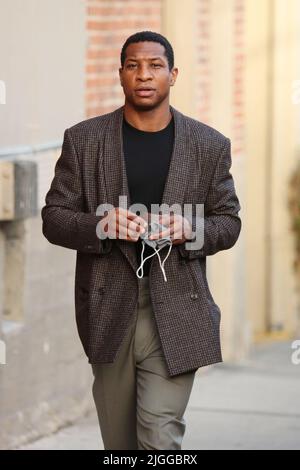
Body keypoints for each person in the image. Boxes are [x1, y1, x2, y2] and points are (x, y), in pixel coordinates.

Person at [41, 30, 242, 450]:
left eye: (154, 66)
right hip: (108, 306)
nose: (144, 75)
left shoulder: (208, 145)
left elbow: (229, 222)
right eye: (133, 66)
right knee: (119, 445)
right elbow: (53, 218)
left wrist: (193, 230)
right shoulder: (84, 140)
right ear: (120, 75)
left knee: (160, 437)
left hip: (177, 308)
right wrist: (100, 225)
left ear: (173, 75)